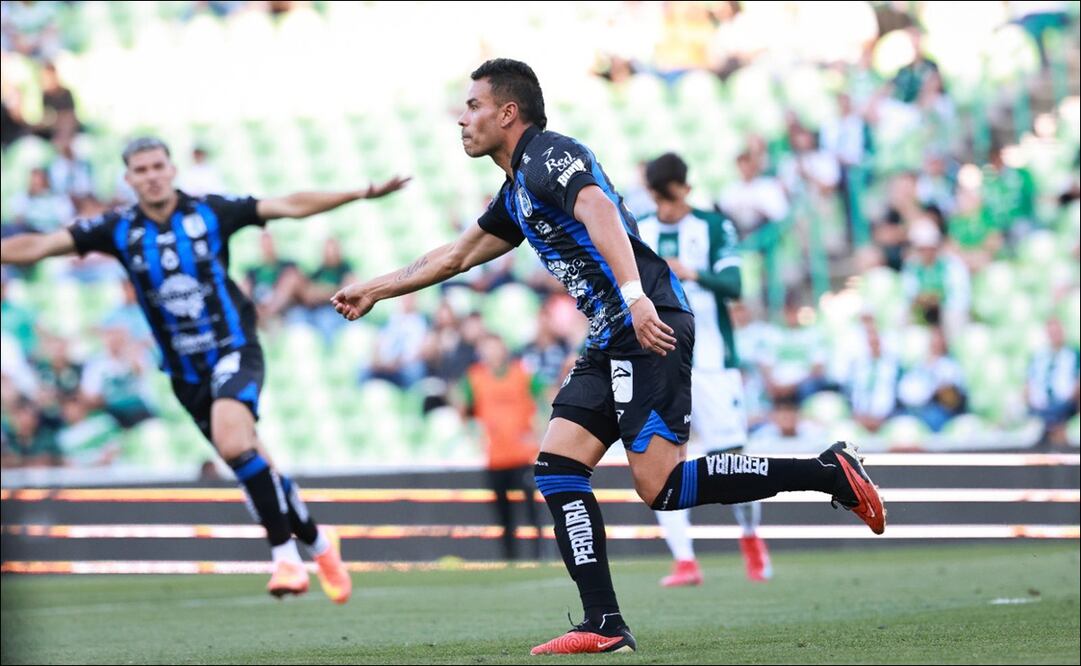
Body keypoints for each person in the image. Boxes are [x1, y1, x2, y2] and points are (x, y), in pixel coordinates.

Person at [332, 59, 885, 655]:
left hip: (647, 325)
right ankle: (602, 622)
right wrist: (376, 288)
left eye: (473, 106)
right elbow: (456, 257)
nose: (462, 118)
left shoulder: (549, 155)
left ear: (508, 112)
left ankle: (827, 471)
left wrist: (635, 297)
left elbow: (596, 208)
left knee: (663, 488)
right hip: (609, 335)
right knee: (557, 469)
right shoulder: (517, 188)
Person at [0, 136, 410, 602]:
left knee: (235, 444)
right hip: (184, 373)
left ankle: (285, 559)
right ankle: (320, 545)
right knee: (256, 467)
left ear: (171, 170)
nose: (152, 175)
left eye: (158, 166)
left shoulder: (211, 212)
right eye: (141, 170)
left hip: (234, 348)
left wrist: (358, 192)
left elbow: (288, 205)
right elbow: (40, 244)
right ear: (129, 179)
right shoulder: (118, 229)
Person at [637, 152, 770, 585]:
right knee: (661, 462)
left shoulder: (714, 227)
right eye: (660, 200)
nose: (666, 209)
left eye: (671, 199)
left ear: (685, 190)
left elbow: (735, 286)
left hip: (712, 363)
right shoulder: (641, 229)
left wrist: (692, 273)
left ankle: (750, 536)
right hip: (660, 361)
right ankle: (685, 560)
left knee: (732, 457)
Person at [457, 332, 544, 560]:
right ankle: (510, 558)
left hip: (523, 455)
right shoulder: (474, 377)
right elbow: (463, 408)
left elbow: (545, 397)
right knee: (504, 514)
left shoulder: (522, 373)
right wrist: (474, 435)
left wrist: (539, 432)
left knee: (532, 511)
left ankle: (539, 555)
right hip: (495, 457)